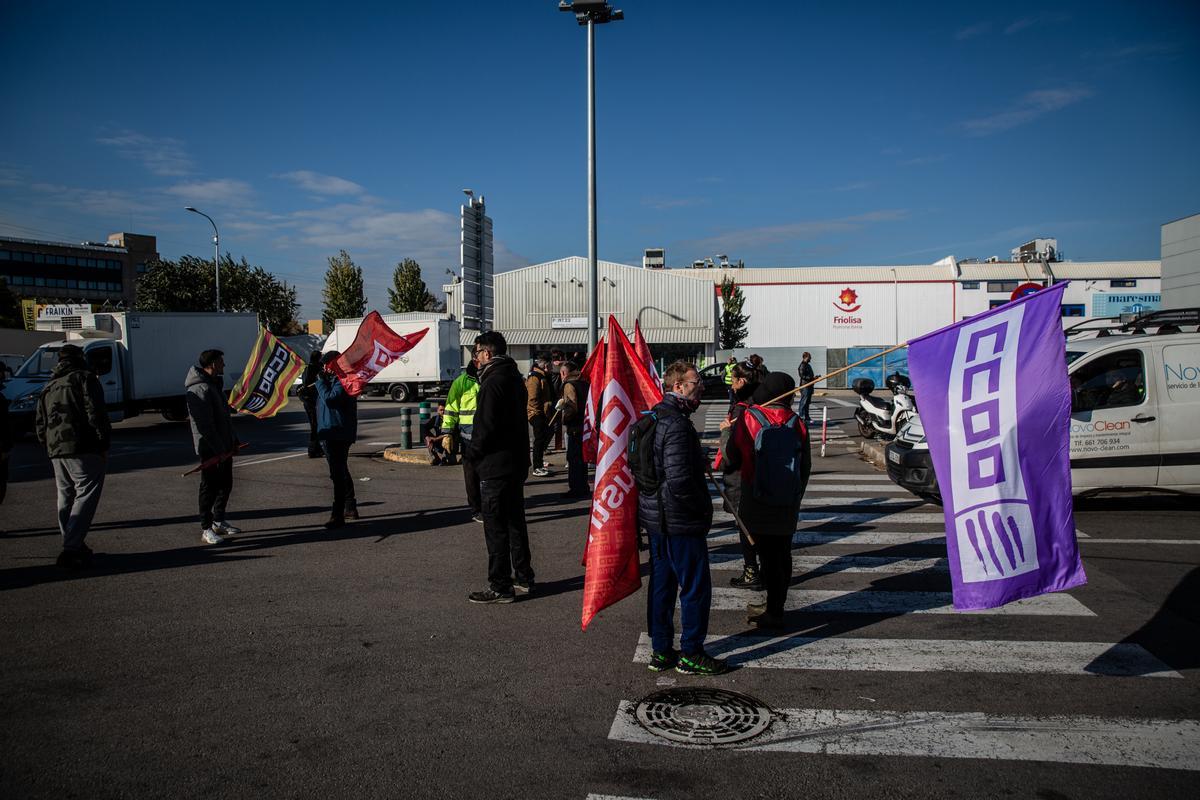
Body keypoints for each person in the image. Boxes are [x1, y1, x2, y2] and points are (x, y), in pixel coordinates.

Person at [639, 360, 728, 676]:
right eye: (695, 383)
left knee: (662, 585)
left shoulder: (655, 416)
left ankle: (661, 651)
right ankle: (691, 652)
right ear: (677, 386)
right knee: (694, 587)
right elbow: (678, 480)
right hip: (678, 520)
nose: (700, 388)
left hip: (657, 519)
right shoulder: (675, 424)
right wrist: (699, 510)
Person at [721, 371, 811, 630]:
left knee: (764, 554)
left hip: (756, 497)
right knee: (782, 555)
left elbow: (731, 458)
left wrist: (726, 432)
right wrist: (794, 497)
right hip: (787, 502)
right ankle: (775, 605)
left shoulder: (750, 417)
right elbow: (805, 467)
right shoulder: (796, 422)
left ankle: (773, 613)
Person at [465, 331, 534, 604]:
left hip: (496, 465)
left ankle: (500, 585)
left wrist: (472, 454)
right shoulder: (514, 378)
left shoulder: (493, 382)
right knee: (515, 522)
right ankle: (524, 576)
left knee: (496, 528)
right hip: (515, 463)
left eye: (477, 353)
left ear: (488, 353)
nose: (475, 358)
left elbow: (486, 427)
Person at [34, 344, 111, 568]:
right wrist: (103, 443)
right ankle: (72, 546)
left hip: (56, 447)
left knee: (65, 494)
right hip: (82, 445)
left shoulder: (50, 384)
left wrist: (47, 444)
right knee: (86, 492)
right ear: (80, 358)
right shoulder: (84, 378)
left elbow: (40, 420)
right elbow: (95, 413)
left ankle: (72, 541)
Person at [713, 362, 761, 590]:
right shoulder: (759, 403)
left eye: (732, 380)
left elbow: (731, 454)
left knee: (746, 529)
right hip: (757, 476)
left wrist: (725, 432)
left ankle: (752, 571)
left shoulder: (741, 410)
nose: (731, 385)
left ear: (741, 382)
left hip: (742, 478)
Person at [185, 349, 240, 545]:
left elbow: (224, 418)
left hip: (224, 446)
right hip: (210, 448)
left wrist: (233, 440)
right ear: (212, 363)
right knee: (209, 487)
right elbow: (204, 425)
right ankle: (206, 528)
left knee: (226, 484)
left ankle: (219, 520)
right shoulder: (199, 389)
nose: (224, 365)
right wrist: (218, 448)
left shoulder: (214, 385)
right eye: (221, 361)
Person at [315, 350, 359, 528]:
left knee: (337, 474)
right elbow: (321, 403)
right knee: (340, 472)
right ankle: (349, 507)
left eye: (327, 365)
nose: (325, 369)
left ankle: (338, 513)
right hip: (328, 432)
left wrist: (320, 383)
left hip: (338, 433)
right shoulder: (330, 381)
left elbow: (331, 400)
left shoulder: (344, 381)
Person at [444, 356, 482, 522]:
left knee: (489, 476)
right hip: (468, 439)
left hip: (489, 438)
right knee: (472, 477)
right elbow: (451, 408)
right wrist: (447, 432)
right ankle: (476, 509)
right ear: (475, 359)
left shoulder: (491, 378)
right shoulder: (461, 382)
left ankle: (490, 507)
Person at [557, 360, 589, 499]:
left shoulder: (569, 385)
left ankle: (576, 488)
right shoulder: (585, 383)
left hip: (575, 426)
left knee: (574, 458)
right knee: (582, 460)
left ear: (564, 373)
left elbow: (572, 406)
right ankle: (583, 486)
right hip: (585, 424)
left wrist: (565, 418)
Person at [526, 354, 555, 477]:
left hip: (542, 412)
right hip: (536, 413)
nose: (552, 369)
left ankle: (539, 463)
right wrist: (539, 411)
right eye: (550, 366)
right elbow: (532, 398)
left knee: (546, 434)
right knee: (539, 439)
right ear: (545, 365)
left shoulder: (543, 376)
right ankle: (537, 466)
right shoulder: (535, 377)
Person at [298, 350, 324, 458]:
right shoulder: (315, 368)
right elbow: (313, 384)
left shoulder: (307, 368)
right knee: (315, 426)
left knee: (315, 425)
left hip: (308, 400)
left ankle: (317, 448)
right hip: (312, 401)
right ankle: (312, 449)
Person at [796, 351, 816, 424]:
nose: (810, 358)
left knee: (807, 402)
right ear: (806, 357)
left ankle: (807, 417)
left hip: (809, 385)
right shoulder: (802, 365)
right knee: (803, 402)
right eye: (809, 357)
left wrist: (814, 378)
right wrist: (810, 378)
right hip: (805, 386)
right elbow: (802, 375)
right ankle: (801, 417)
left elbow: (809, 376)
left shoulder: (808, 365)